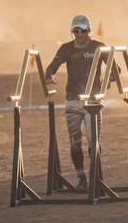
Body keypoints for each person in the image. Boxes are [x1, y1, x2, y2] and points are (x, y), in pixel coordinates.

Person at [45, 15, 109, 190]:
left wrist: (109, 79)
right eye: (76, 30)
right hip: (73, 99)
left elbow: (115, 67)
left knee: (93, 141)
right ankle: (81, 178)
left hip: (93, 100)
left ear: (89, 30)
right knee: (75, 142)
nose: (80, 34)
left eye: (83, 30)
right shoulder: (66, 48)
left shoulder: (99, 47)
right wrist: (48, 77)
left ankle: (95, 176)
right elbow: (51, 68)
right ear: (72, 31)